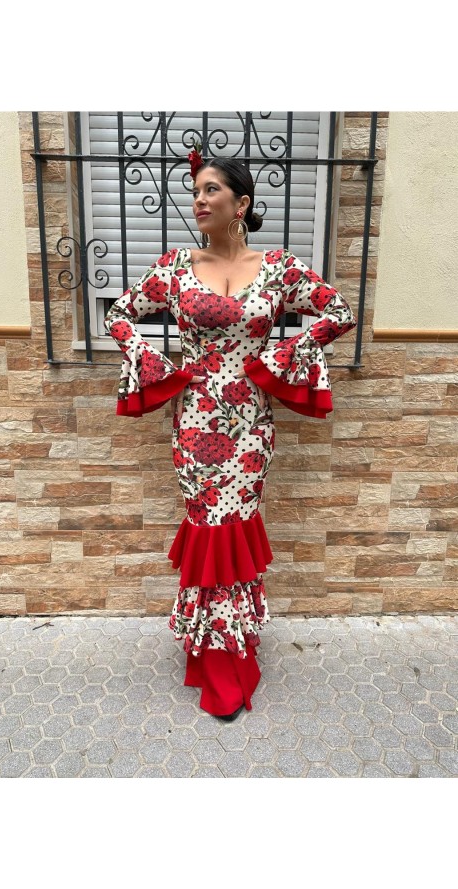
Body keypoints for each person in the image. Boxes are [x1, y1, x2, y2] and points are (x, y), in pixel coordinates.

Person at [104, 151, 357, 721]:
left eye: (211, 189)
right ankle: (212, 659)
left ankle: (237, 649)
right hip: (194, 422)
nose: (199, 199)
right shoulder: (173, 268)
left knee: (234, 528)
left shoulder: (278, 269)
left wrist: (285, 351)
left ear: (239, 204)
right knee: (207, 526)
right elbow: (119, 315)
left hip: (250, 426)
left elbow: (337, 310)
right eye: (196, 190)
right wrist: (154, 360)